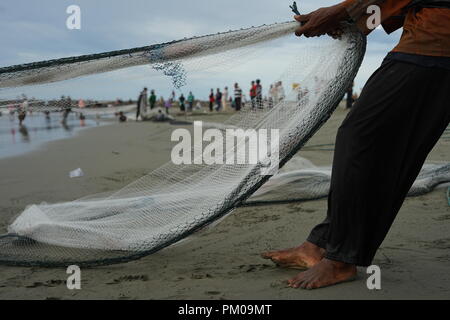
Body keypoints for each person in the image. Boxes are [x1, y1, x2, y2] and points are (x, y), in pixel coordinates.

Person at [262, 0, 450, 290]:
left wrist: (340, 12)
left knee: (362, 140)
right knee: (369, 144)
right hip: (427, 37)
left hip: (436, 42)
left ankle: (340, 260)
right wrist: (351, 19)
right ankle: (322, 245)